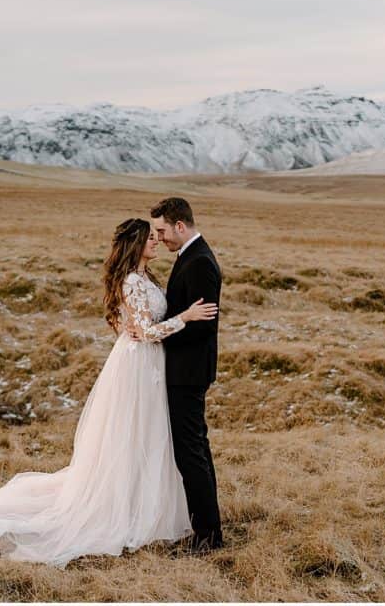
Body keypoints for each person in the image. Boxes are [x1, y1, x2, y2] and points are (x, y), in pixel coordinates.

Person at [0, 218, 218, 568]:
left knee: (150, 434)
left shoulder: (145, 277)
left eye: (158, 236)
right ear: (136, 244)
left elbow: (138, 325)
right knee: (132, 434)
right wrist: (185, 317)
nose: (156, 241)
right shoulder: (131, 281)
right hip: (139, 364)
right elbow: (144, 331)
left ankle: (145, 502)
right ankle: (124, 508)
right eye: (150, 238)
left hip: (151, 365)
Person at [146, 197, 225, 553]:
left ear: (180, 226)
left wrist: (162, 330)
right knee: (195, 448)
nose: (159, 238)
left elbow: (202, 328)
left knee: (190, 451)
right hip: (184, 368)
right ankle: (207, 527)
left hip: (188, 371)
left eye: (162, 230)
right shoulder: (189, 257)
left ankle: (208, 536)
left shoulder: (200, 263)